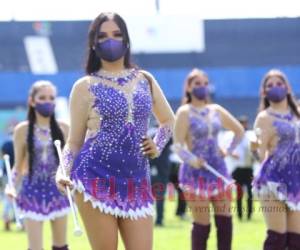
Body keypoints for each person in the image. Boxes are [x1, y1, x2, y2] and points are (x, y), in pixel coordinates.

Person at [55, 12, 175, 250]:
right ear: (94, 43)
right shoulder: (84, 86)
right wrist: (62, 169)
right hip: (94, 178)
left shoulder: (145, 79)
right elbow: (74, 141)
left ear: (127, 40)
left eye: (117, 34)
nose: (111, 40)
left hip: (137, 180)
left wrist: (157, 145)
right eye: (103, 36)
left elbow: (168, 121)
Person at [172, 68, 244, 250]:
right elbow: (178, 145)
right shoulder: (184, 112)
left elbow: (239, 130)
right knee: (202, 225)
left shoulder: (216, 110)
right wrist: (192, 160)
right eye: (197, 84)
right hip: (194, 173)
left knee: (225, 221)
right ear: (188, 88)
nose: (202, 87)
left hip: (218, 170)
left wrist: (228, 149)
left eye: (205, 83)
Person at [5, 81, 70, 250]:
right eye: (42, 98)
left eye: (51, 98)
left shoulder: (64, 128)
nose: (47, 101)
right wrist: (11, 186)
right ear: (32, 101)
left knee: (61, 245)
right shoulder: (22, 130)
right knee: (35, 247)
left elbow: (70, 163)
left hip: (58, 192)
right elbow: (18, 166)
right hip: (31, 192)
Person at [252, 69, 300, 250]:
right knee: (277, 239)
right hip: (273, 181)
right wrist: (255, 148)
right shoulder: (264, 118)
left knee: (296, 241)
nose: (275, 88)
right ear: (264, 92)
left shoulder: (298, 114)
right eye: (269, 85)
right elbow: (260, 155)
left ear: (287, 87)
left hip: (296, 181)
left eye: (279, 84)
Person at [230, 115, 254, 220]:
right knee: (239, 193)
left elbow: (255, 149)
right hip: (238, 169)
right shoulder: (234, 137)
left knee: (249, 193)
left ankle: (249, 214)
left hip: (248, 169)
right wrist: (233, 153)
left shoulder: (250, 136)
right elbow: (228, 149)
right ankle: (239, 214)